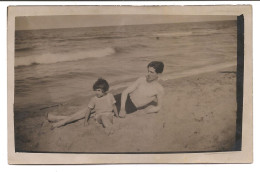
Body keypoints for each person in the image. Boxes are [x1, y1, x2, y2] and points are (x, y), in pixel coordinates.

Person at [48, 78, 119, 133]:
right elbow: (88, 110)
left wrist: (117, 115)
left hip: (105, 113)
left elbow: (114, 106)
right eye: (95, 90)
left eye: (98, 90)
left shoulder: (110, 96)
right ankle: (59, 121)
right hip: (98, 113)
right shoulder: (94, 99)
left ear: (104, 90)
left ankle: (58, 119)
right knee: (81, 114)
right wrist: (86, 121)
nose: (96, 92)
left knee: (83, 115)